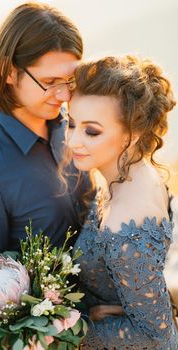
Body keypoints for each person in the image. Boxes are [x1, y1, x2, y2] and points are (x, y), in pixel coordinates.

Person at [0, 2, 87, 271]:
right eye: (49, 82)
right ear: (9, 72)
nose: (65, 95)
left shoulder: (73, 129)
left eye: (70, 80)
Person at [66, 56, 178, 349]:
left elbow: (157, 337)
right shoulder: (131, 169)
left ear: (132, 133)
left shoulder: (129, 216)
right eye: (71, 124)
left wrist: (80, 328)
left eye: (91, 131)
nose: (74, 141)